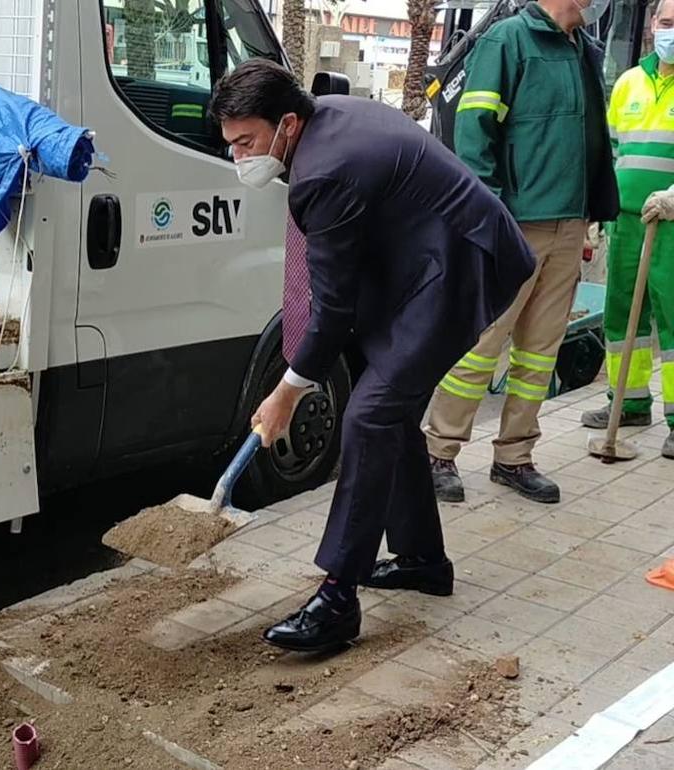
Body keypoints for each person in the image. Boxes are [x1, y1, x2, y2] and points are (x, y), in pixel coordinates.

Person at [209, 59, 535, 652]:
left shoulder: (323, 173)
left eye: (246, 142)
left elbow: (331, 309)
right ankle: (421, 560)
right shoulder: (325, 120)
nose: (239, 158)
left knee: (370, 414)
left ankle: (338, 597)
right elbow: (341, 296)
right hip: (426, 260)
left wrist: (286, 392)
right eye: (229, 145)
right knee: (386, 407)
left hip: (463, 266)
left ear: (285, 123)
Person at [424, 0, 620, 504]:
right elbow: (474, 133)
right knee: (484, 341)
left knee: (540, 350)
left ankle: (514, 456)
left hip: (568, 222)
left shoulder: (584, 50)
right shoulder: (508, 40)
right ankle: (438, 452)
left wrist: (587, 219)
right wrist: (492, 217)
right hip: (515, 225)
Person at [582, 0, 674, 460]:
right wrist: (603, 208)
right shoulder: (628, 83)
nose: (671, 32)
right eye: (667, 22)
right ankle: (628, 401)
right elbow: (613, 150)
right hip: (628, 219)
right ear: (653, 26)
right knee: (623, 315)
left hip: (673, 221)